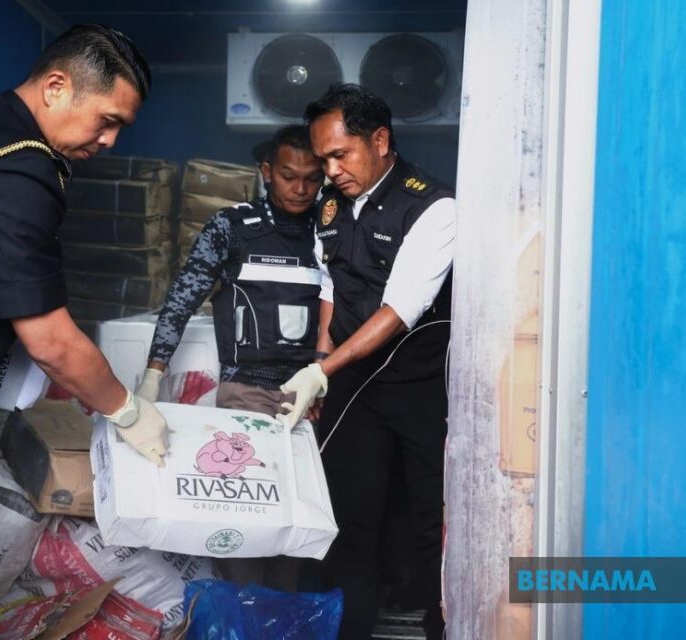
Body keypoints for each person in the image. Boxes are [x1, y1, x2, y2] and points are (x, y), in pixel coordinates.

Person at [0, 25, 168, 640]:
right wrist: (128, 411)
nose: (110, 140)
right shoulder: (19, 168)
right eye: (107, 120)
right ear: (56, 87)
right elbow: (51, 341)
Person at [276, 84, 456, 639]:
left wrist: (319, 373)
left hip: (420, 388)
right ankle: (346, 630)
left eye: (340, 155)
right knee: (349, 518)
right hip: (354, 386)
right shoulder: (332, 206)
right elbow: (332, 286)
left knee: (427, 521)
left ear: (379, 141)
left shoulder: (433, 207)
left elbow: (399, 309)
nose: (330, 171)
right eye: (323, 159)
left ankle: (438, 628)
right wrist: (322, 362)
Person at [135, 124, 325, 589]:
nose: (301, 189)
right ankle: (241, 611)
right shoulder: (232, 227)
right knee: (245, 518)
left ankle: (282, 612)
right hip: (247, 392)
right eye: (289, 176)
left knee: (302, 525)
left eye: (312, 178)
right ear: (266, 172)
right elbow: (182, 299)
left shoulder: (331, 229)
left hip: (314, 396)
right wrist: (153, 374)